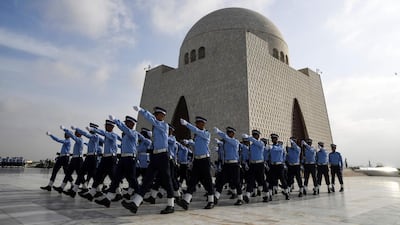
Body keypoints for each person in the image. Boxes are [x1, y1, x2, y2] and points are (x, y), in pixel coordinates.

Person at [121, 106, 175, 214]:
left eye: (157, 114)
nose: (155, 116)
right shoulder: (156, 127)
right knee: (147, 179)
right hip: (155, 156)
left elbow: (152, 120)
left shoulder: (163, 125)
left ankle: (171, 205)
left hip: (163, 156)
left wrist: (142, 111)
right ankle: (135, 204)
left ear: (163, 116)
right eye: (155, 114)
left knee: (167, 180)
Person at [95, 115, 140, 208]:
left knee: (132, 179)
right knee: (116, 178)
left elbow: (125, 129)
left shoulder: (133, 133)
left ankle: (140, 196)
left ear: (132, 124)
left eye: (127, 123)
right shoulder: (125, 135)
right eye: (125, 123)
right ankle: (108, 199)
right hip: (123, 158)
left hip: (130, 159)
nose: (125, 124)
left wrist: (116, 120)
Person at [177, 116, 215, 210]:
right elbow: (196, 145)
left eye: (199, 123)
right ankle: (186, 201)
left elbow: (197, 132)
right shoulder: (197, 136)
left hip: (205, 160)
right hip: (197, 161)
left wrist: (187, 124)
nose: (197, 125)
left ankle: (211, 201)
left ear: (203, 124)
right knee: (192, 180)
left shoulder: (206, 134)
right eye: (196, 123)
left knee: (208, 180)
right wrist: (189, 142)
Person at [79, 119, 120, 201]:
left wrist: (93, 129)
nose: (105, 126)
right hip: (105, 158)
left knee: (112, 176)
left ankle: (119, 193)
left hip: (111, 158)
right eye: (105, 125)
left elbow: (103, 133)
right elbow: (100, 137)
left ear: (112, 127)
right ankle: (91, 194)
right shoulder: (106, 136)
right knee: (98, 175)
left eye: (107, 125)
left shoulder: (113, 135)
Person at [64, 123, 102, 198]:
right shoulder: (91, 138)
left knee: (93, 174)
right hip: (89, 157)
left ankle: (98, 190)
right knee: (81, 173)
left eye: (91, 129)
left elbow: (86, 134)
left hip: (93, 157)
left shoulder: (95, 137)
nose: (90, 130)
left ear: (94, 130)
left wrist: (77, 129)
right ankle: (74, 191)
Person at [213, 126, 243, 205]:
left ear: (233, 134)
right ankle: (216, 197)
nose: (228, 134)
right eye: (227, 133)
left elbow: (227, 139)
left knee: (236, 182)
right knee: (221, 181)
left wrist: (219, 132)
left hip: (234, 164)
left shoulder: (235, 141)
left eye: (230, 132)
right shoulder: (226, 143)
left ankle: (240, 199)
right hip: (226, 164)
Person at [53, 126, 84, 194]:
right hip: (74, 158)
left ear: (80, 134)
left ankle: (85, 188)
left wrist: (65, 129)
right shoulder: (77, 141)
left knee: (80, 174)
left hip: (78, 159)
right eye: (75, 132)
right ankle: (61, 188)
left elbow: (73, 137)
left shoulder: (80, 140)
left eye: (76, 132)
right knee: (68, 173)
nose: (75, 133)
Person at [242, 130, 269, 203]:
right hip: (253, 164)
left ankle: (266, 195)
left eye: (256, 135)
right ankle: (247, 195)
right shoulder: (251, 146)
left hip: (260, 164)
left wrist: (249, 138)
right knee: (250, 180)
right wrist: (246, 163)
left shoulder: (261, 143)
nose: (254, 136)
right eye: (253, 135)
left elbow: (257, 143)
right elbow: (249, 155)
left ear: (258, 136)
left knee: (262, 180)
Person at [267, 134, 290, 200]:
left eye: (275, 138)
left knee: (282, 179)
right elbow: (267, 156)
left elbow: (284, 155)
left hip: (279, 165)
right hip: (273, 165)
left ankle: (286, 193)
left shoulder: (281, 147)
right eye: (272, 138)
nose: (273, 139)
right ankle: (270, 195)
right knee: (271, 180)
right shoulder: (270, 147)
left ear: (277, 139)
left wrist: (283, 161)